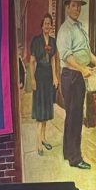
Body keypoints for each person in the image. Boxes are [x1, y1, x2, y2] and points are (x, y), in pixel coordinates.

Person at [55, 0, 96, 169]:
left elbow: (85, 50)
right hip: (71, 75)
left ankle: (69, 153)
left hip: (79, 75)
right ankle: (76, 158)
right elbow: (67, 55)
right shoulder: (65, 29)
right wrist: (83, 68)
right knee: (75, 116)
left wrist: (94, 59)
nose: (76, 9)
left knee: (74, 116)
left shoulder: (79, 27)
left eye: (78, 6)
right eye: (73, 5)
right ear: (67, 7)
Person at [28, 13, 59, 156]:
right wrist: (32, 79)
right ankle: (37, 144)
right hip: (39, 76)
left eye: (49, 23)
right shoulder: (36, 41)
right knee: (40, 112)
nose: (47, 26)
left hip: (48, 78)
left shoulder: (53, 41)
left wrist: (55, 77)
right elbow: (32, 61)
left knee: (46, 110)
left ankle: (44, 138)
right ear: (42, 26)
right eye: (45, 23)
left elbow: (53, 60)